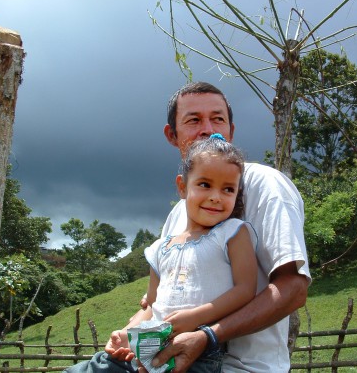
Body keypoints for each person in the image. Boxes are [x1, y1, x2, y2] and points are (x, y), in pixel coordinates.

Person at [67, 81, 311, 372]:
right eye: (194, 120)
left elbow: (293, 288)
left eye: (218, 118)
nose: (208, 128)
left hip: (241, 367)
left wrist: (207, 335)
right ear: (173, 135)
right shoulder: (178, 214)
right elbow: (155, 302)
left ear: (231, 130)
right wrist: (127, 332)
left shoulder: (265, 184)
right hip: (161, 357)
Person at [66, 135, 258, 373]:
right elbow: (153, 305)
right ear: (182, 187)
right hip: (148, 346)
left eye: (228, 189)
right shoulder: (160, 248)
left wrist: (194, 318)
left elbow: (246, 289)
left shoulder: (232, 233)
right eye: (205, 184)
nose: (216, 196)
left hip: (198, 353)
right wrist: (127, 332)